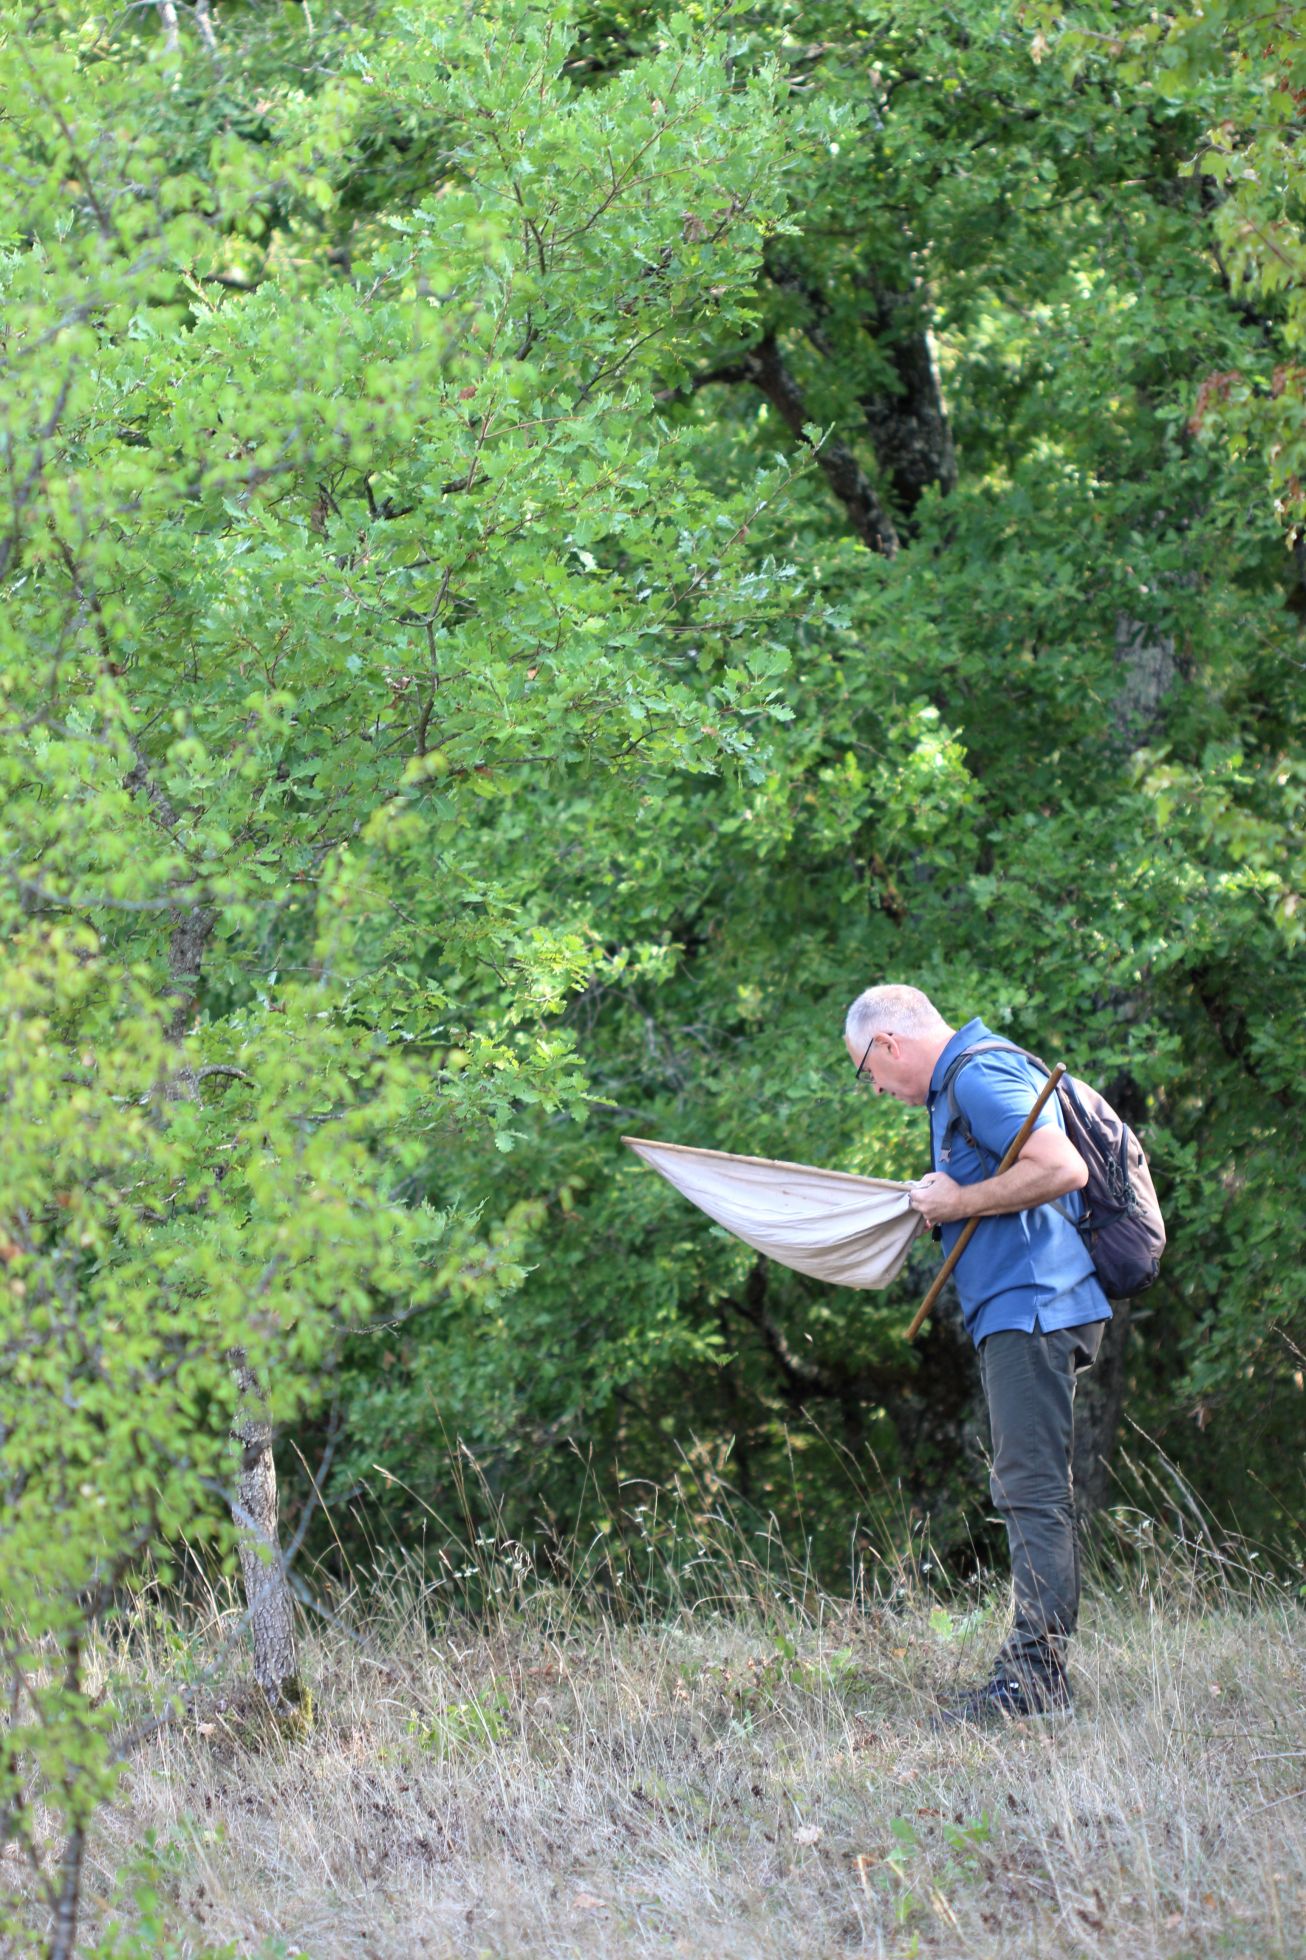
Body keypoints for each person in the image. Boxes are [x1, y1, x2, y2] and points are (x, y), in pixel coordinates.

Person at [843, 983, 1110, 1723]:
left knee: (1030, 1493)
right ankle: (1032, 1675)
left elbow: (1062, 1169)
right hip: (1022, 1308)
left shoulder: (976, 1075)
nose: (875, 1087)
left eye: (867, 1070)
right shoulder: (961, 1085)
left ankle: (1033, 1684)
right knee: (1026, 1489)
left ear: (889, 1042)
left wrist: (956, 1203)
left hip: (1035, 1306)